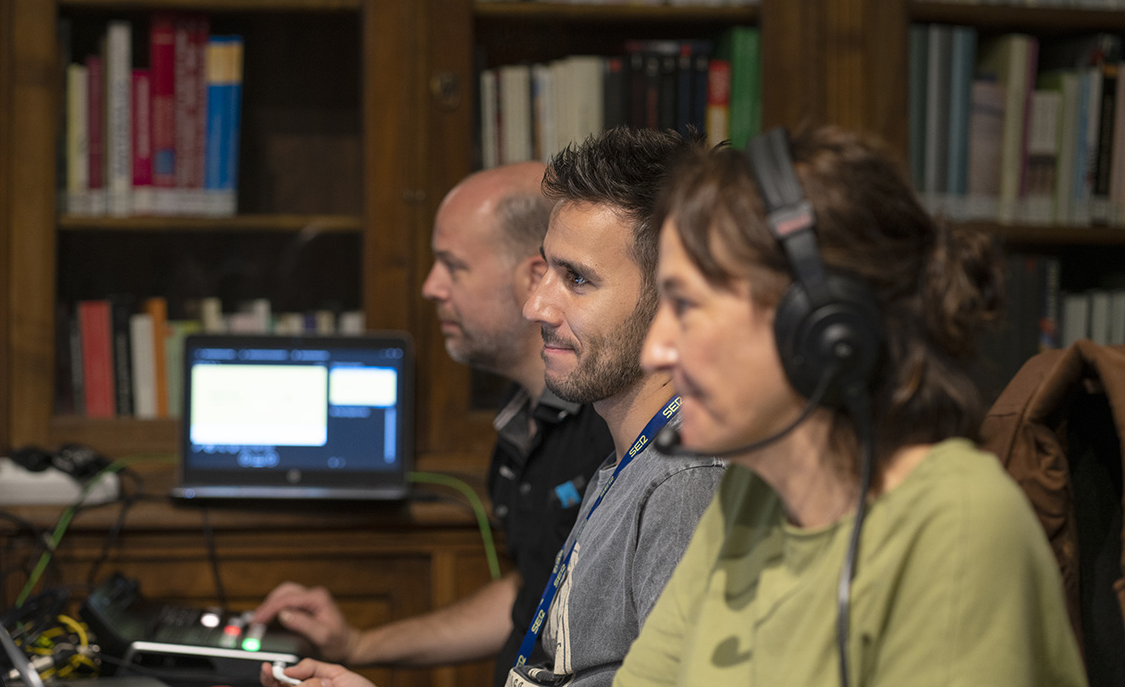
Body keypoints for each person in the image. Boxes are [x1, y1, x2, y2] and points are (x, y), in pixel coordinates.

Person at [614, 125, 1088, 686]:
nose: (654, 351)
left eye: (686, 306)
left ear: (820, 328)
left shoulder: (957, 522)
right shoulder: (750, 492)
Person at [261, 128, 727, 687]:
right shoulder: (628, 464)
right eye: (546, 271)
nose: (536, 305)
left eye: (577, 279)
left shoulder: (685, 484)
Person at [252, 162, 614, 687]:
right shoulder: (519, 425)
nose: (429, 286)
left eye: (452, 265)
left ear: (535, 278)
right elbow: (536, 592)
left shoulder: (616, 430)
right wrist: (359, 645)